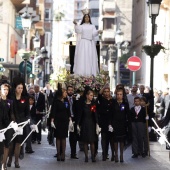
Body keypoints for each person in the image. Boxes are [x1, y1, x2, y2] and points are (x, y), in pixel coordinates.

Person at [8, 77, 30, 168]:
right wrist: (13, 121)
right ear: (15, 88)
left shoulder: (25, 98)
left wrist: (28, 120)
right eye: (18, 88)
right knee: (11, 143)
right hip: (12, 123)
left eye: (22, 88)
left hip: (21, 123)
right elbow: (10, 111)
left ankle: (16, 161)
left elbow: (27, 112)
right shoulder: (11, 98)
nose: (20, 90)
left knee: (19, 143)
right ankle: (9, 159)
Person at [73, 11, 102, 76]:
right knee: (82, 58)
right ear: (84, 18)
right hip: (83, 44)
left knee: (90, 57)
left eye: (88, 17)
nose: (86, 18)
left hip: (90, 43)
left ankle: (90, 73)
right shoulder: (81, 26)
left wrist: (98, 31)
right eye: (85, 17)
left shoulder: (92, 26)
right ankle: (82, 73)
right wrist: (75, 24)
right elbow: (78, 30)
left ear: (89, 18)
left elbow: (94, 33)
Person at [77, 89, 99, 162]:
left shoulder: (93, 104)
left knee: (92, 141)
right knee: (85, 141)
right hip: (84, 124)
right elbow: (80, 114)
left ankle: (92, 156)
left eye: (92, 95)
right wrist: (78, 124)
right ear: (87, 96)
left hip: (92, 124)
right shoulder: (83, 104)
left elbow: (95, 114)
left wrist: (97, 124)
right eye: (91, 95)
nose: (92, 97)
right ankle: (86, 156)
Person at [51, 84, 71, 161]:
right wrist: (52, 120)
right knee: (58, 137)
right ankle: (58, 153)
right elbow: (53, 111)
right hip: (58, 121)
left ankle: (63, 154)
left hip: (65, 121)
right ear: (61, 94)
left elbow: (68, 110)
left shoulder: (66, 101)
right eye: (64, 92)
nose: (66, 93)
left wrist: (70, 119)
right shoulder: (56, 101)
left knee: (64, 137)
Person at [110, 89, 129, 162]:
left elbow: (127, 114)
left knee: (121, 140)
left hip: (123, 124)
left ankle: (121, 155)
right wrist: (110, 124)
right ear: (116, 95)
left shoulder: (125, 104)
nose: (119, 96)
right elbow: (110, 114)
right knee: (115, 140)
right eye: (118, 94)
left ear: (123, 95)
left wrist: (127, 124)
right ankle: (116, 155)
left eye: (120, 94)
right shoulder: (113, 103)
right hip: (115, 124)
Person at [97, 84, 114, 161]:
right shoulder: (102, 99)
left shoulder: (112, 100)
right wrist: (103, 87)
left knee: (112, 139)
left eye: (108, 91)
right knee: (104, 139)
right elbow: (99, 94)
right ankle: (104, 154)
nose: (107, 93)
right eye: (105, 92)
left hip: (111, 122)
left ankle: (113, 154)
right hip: (103, 122)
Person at [0, 83, 15, 170]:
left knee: (7, 145)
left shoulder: (10, 101)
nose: (6, 91)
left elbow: (11, 113)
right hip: (0, 125)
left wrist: (14, 123)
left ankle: (4, 164)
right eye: (4, 89)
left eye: (7, 90)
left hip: (8, 125)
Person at [67, 85, 79, 159]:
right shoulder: (65, 99)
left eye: (72, 90)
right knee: (62, 136)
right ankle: (60, 152)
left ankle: (73, 153)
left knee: (73, 136)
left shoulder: (75, 99)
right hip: (66, 118)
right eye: (69, 90)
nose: (70, 91)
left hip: (74, 118)